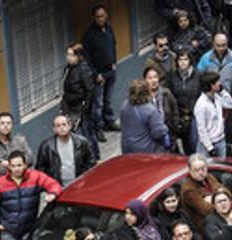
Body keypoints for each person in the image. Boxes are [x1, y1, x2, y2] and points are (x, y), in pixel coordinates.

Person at [82, 4, 119, 143]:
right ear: (93, 18)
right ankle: (99, 128)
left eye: (102, 16)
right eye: (97, 17)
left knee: (108, 100)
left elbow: (113, 45)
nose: (100, 19)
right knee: (98, 104)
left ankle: (109, 122)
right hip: (99, 74)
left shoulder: (109, 28)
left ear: (106, 16)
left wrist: (114, 63)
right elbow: (87, 57)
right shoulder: (89, 35)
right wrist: (95, 74)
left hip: (111, 70)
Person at [36, 114, 97, 188]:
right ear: (54, 129)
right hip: (57, 187)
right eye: (58, 126)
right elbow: (41, 169)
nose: (61, 128)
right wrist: (50, 185)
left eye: (64, 124)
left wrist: (84, 179)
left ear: (70, 126)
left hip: (80, 184)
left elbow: (91, 163)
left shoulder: (82, 142)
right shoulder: (46, 146)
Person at [61, 43, 99, 151]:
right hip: (70, 107)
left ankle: (94, 156)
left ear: (77, 56)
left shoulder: (83, 69)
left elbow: (90, 90)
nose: (68, 57)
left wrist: (85, 108)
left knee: (87, 134)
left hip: (81, 108)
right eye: (67, 54)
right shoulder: (68, 68)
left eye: (70, 54)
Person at [119, 78, 169, 154]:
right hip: (146, 150)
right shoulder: (150, 110)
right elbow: (158, 133)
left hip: (127, 148)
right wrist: (165, 128)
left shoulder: (124, 106)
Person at [193, 70, 232, 157]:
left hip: (220, 140)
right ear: (211, 85)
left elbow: (231, 104)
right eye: (217, 82)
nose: (220, 84)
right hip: (207, 144)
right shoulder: (201, 105)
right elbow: (202, 129)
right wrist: (210, 148)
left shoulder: (217, 98)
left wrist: (223, 92)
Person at [0, 112, 34, 180]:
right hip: (5, 183)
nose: (5, 125)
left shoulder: (20, 140)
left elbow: (30, 158)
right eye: (2, 123)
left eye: (8, 123)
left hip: (24, 179)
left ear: (12, 125)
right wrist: (20, 166)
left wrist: (9, 164)